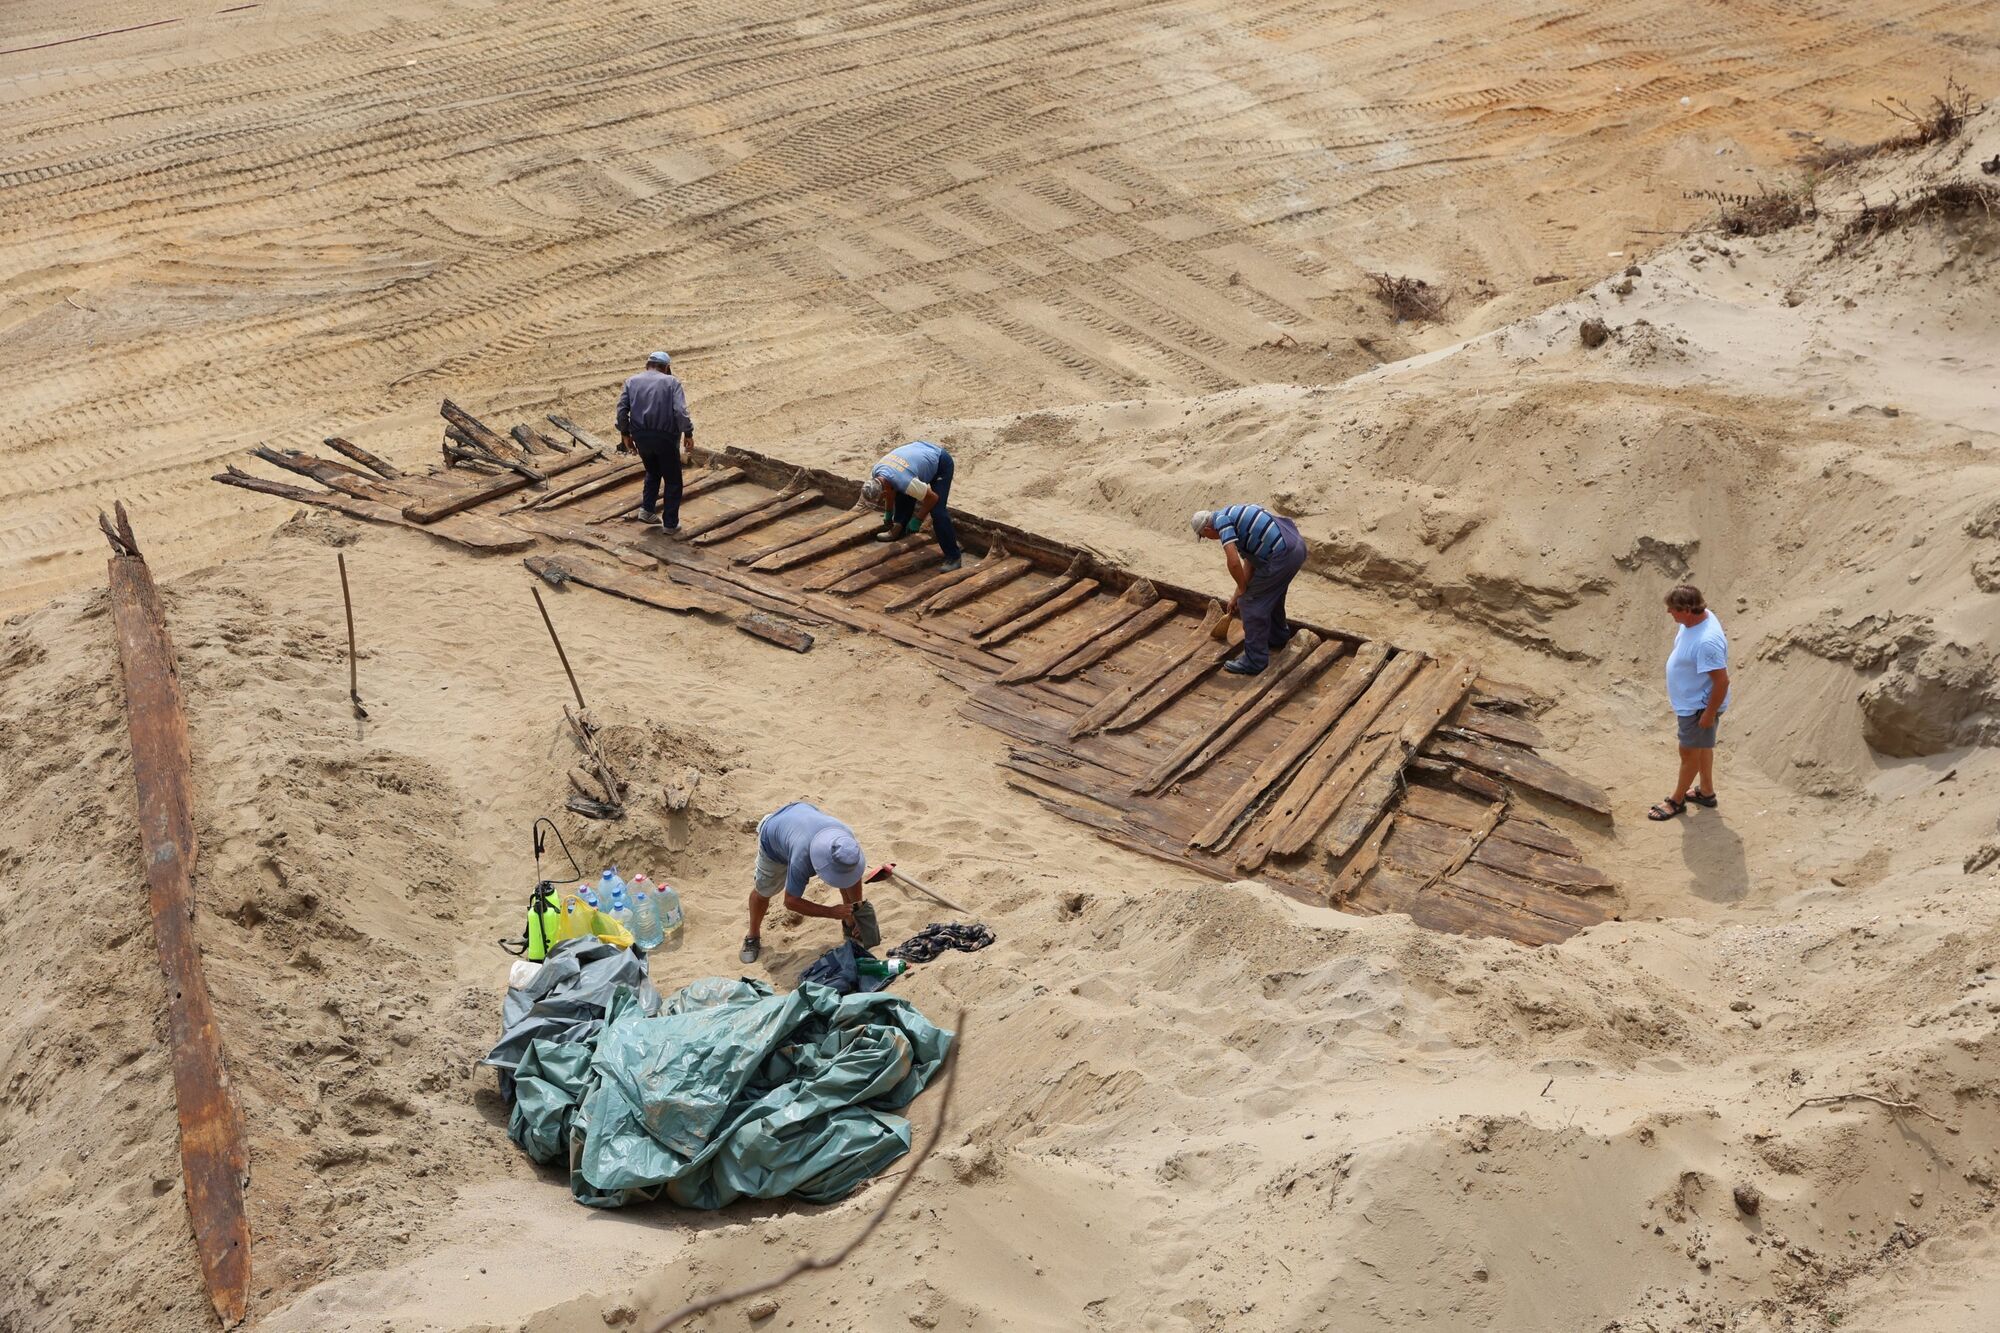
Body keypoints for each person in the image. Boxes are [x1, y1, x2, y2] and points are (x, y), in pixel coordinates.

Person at [741, 801, 871, 964]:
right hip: (773, 839)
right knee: (764, 890)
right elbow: (790, 901)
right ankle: (752, 936)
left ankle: (849, 923)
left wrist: (857, 914)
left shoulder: (846, 842)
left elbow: (852, 875)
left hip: (801, 815)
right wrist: (830, 912)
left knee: (845, 874)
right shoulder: (802, 858)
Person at [1191, 504, 1308, 675]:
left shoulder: (1222, 523)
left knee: (1250, 604)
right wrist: (1236, 594)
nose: (1208, 539)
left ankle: (1255, 661)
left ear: (1208, 529)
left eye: (1204, 536)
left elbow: (1233, 562)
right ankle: (1277, 637)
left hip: (1283, 554)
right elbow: (1251, 563)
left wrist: (1243, 593)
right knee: (1270, 596)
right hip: (1295, 547)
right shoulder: (1232, 514)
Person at [1649, 584, 1731, 821]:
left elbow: (1722, 682)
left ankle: (1676, 801)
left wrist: (1707, 714)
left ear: (1686, 609)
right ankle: (1706, 792)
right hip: (1695, 704)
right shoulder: (1698, 619)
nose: (1669, 613)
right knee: (1702, 747)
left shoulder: (1707, 642)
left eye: (1672, 609)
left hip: (1698, 708)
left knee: (1689, 755)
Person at [614, 351, 695, 533]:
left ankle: (647, 510)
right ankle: (670, 524)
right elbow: (680, 412)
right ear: (666, 368)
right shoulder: (671, 382)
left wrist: (625, 433)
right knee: (673, 479)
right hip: (665, 436)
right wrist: (688, 433)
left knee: (653, 470)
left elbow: (621, 411)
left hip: (640, 435)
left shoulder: (631, 381)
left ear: (647, 365)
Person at [858, 440, 962, 570]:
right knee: (902, 493)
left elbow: (932, 498)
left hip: (940, 461)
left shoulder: (904, 481)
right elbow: (890, 491)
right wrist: (888, 513)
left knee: (938, 512)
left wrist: (918, 519)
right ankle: (899, 528)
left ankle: (954, 557)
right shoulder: (877, 473)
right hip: (917, 453)